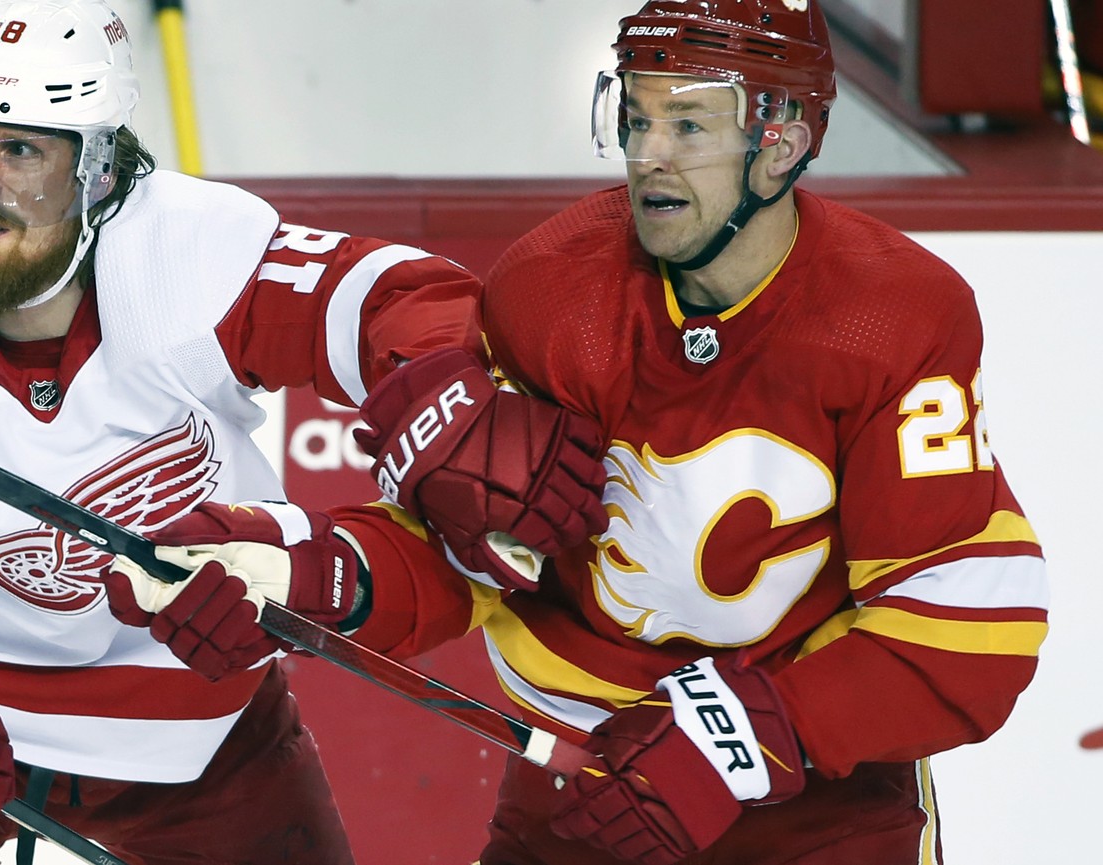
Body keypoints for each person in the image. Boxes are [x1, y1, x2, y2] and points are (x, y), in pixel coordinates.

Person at [0, 1, 605, 864]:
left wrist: (445, 395)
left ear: (100, 171)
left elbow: (392, 299)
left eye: (23, 152)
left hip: (191, 724)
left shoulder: (194, 253)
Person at [103, 2, 1052, 863]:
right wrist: (306, 570)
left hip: (817, 798)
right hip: (582, 779)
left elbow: (965, 629)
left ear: (782, 142)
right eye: (637, 119)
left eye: (688, 124)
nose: (649, 155)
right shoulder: (554, 292)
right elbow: (480, 550)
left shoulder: (893, 315)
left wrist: (750, 736)